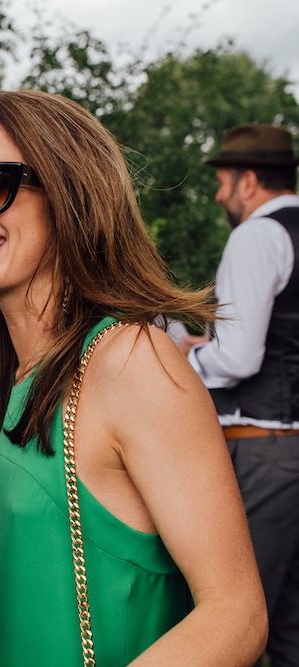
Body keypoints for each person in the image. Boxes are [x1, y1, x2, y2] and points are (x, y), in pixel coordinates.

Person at [0, 91, 267, 665]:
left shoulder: (130, 361)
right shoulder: (30, 368)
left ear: (71, 197)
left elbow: (236, 614)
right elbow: (80, 552)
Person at [180, 124, 299, 666]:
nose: (218, 195)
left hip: (264, 452)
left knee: (233, 624)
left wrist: (185, 357)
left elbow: (238, 359)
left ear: (248, 180)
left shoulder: (256, 236)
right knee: (289, 622)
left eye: (223, 181)